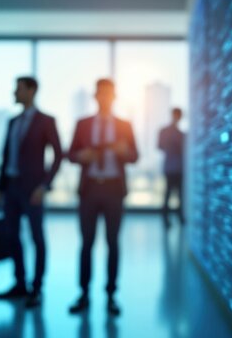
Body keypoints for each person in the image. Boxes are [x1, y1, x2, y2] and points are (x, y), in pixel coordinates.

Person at [67, 78, 139, 316]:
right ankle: (84, 294)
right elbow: (70, 154)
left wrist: (125, 152)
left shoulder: (124, 125)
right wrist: (81, 156)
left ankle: (110, 295)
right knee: (86, 243)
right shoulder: (83, 124)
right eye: (101, 94)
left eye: (109, 94)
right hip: (89, 190)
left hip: (113, 190)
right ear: (95, 96)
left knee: (112, 243)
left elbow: (135, 156)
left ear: (114, 96)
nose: (105, 98)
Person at [0, 77, 63, 308]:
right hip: (11, 187)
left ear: (32, 91)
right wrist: (0, 187)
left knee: (36, 237)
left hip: (33, 189)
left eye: (19, 88)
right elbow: (6, 156)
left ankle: (37, 287)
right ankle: (20, 283)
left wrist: (45, 185)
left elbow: (58, 155)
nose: (14, 92)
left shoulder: (46, 121)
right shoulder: (13, 121)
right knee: (12, 236)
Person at [158, 107, 186, 229]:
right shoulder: (164, 131)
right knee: (168, 194)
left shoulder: (182, 134)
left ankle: (179, 217)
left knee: (180, 194)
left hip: (179, 167)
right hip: (170, 167)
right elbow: (159, 146)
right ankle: (165, 219)